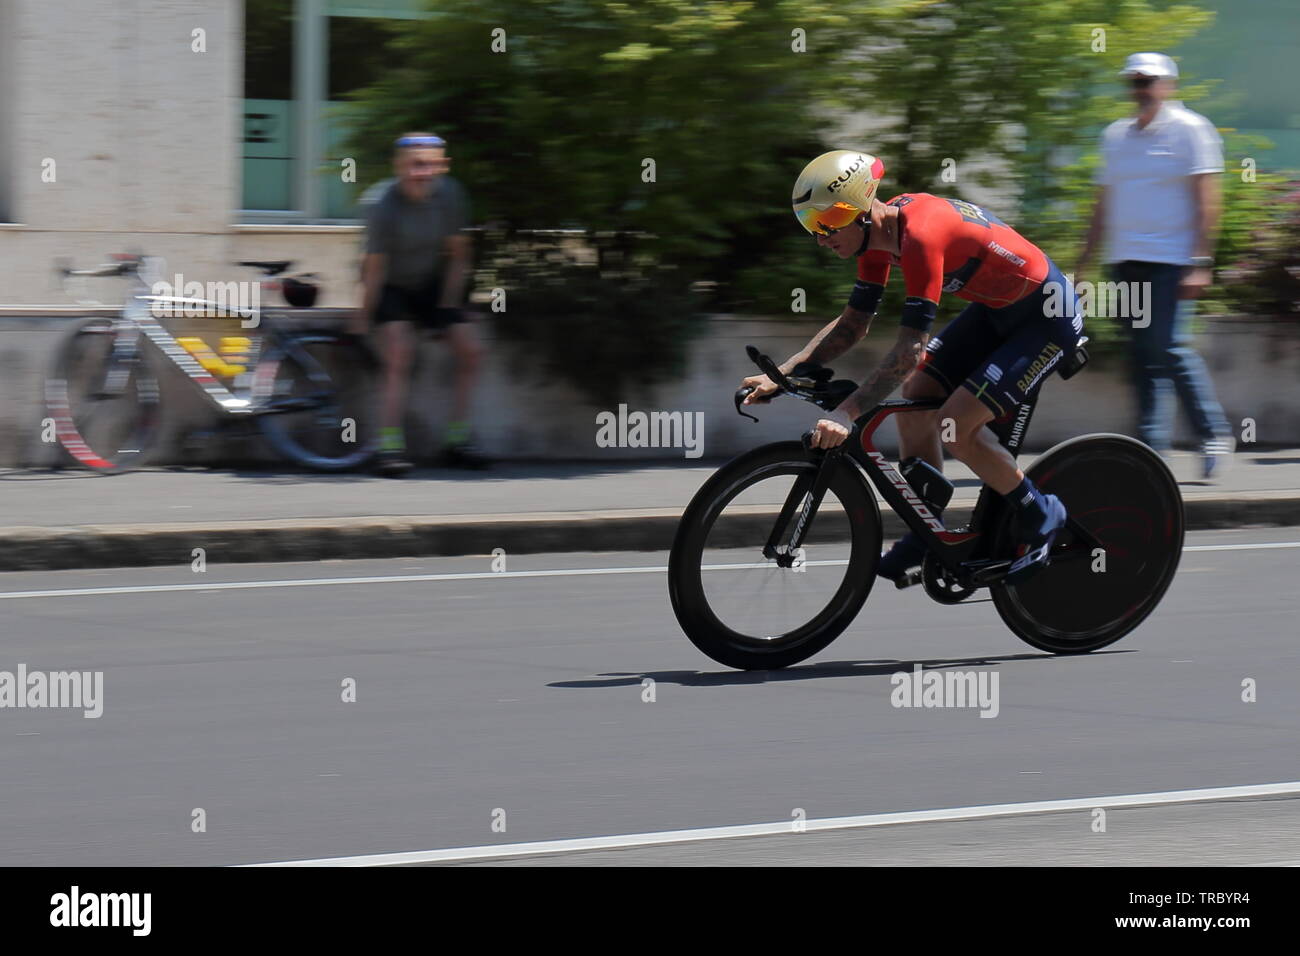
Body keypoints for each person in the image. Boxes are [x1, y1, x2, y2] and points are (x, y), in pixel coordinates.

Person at [742, 149, 1083, 584]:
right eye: (811, 227)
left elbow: (908, 350)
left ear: (860, 211)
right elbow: (853, 325)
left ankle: (1042, 509)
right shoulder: (878, 238)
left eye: (826, 223)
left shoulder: (920, 236)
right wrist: (785, 373)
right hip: (996, 311)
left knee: (956, 427)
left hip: (1046, 318)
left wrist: (847, 413)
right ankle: (929, 527)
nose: (821, 238)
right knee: (919, 396)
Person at [1077, 52, 1234, 479]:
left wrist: (1201, 261)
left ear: (1168, 85)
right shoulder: (1116, 135)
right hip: (1124, 261)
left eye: (1149, 81)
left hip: (1172, 261)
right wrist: (1084, 261)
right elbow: (1103, 201)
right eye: (1135, 82)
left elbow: (1207, 198)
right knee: (1141, 355)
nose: (1141, 89)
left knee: (1167, 347)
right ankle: (1151, 451)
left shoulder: (1191, 130)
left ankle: (1214, 432)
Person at [352, 132, 486, 475]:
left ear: (442, 166)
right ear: (398, 167)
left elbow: (459, 256)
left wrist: (446, 308)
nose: (421, 173)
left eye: (429, 165)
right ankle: (388, 446)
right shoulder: (380, 203)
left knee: (471, 349)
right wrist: (363, 316)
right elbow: (374, 267)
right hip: (389, 283)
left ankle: (457, 440)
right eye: (414, 165)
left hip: (429, 281)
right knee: (399, 352)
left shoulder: (451, 195)